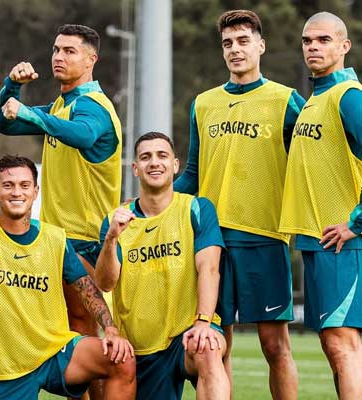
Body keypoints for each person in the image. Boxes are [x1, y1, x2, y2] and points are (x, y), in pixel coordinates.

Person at [0, 155, 135, 400]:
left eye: (24, 185)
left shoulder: (55, 238)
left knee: (120, 358)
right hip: (6, 367)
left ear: (35, 191)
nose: (16, 192)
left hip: (54, 350)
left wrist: (110, 329)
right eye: (8, 185)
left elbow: (86, 289)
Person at [173, 10, 303, 397]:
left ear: (261, 46)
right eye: (228, 43)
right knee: (216, 345)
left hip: (264, 237)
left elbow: (313, 159)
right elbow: (193, 173)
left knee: (275, 347)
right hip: (212, 242)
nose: (235, 49)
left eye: (243, 41)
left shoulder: (286, 101)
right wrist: (148, 202)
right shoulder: (203, 103)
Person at [0, 25, 122, 398]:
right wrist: (12, 87)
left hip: (86, 243)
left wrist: (30, 115)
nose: (58, 57)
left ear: (91, 60)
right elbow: (6, 121)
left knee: (87, 338)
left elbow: (82, 135)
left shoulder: (94, 107)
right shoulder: (59, 106)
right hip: (56, 240)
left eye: (70, 51)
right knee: (70, 335)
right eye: (56, 50)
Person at [96, 132, 228, 399]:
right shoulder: (116, 220)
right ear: (135, 169)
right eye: (145, 157)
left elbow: (210, 268)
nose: (154, 162)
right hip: (142, 348)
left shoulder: (197, 208)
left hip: (187, 334)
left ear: (175, 165)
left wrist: (203, 322)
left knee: (208, 348)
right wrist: (111, 239)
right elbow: (105, 283)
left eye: (162, 156)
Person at [279, 11, 362, 398]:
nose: (313, 46)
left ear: (344, 46)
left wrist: (356, 223)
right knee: (337, 349)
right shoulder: (316, 99)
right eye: (308, 40)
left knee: (342, 344)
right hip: (317, 244)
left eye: (323, 40)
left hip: (344, 245)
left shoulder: (348, 97)